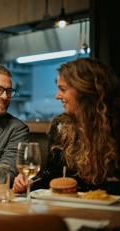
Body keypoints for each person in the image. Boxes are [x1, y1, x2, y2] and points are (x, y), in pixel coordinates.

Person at [12, 58, 120, 194]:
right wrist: (30, 182)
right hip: (68, 205)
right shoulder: (60, 126)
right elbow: (51, 175)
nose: (57, 96)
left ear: (84, 90)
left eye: (63, 89)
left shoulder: (115, 126)